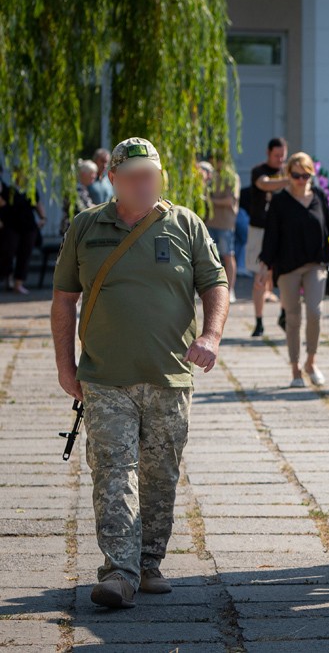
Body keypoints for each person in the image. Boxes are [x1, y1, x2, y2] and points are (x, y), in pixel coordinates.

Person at [51, 137, 228, 608]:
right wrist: (66, 365)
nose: (144, 183)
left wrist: (210, 336)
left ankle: (148, 562)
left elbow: (215, 283)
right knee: (112, 471)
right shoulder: (86, 226)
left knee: (159, 475)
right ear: (114, 179)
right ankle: (119, 571)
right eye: (133, 176)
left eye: (151, 175)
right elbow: (64, 298)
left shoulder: (185, 224)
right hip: (105, 377)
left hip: (169, 377)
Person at [259, 152, 329, 388]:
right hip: (288, 266)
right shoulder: (280, 201)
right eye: (296, 175)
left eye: (306, 175)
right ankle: (295, 369)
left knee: (315, 312)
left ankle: (311, 362)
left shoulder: (319, 196)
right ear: (288, 175)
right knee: (293, 318)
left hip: (315, 263)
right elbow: (271, 236)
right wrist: (265, 266)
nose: (301, 180)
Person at [245, 137, 288, 337]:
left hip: (281, 231)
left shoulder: (288, 171)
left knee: (286, 276)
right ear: (268, 153)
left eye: (283, 156)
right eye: (276, 155)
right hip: (259, 230)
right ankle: (259, 321)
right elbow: (264, 185)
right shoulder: (259, 171)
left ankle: (284, 314)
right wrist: (289, 180)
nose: (280, 160)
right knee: (259, 277)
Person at [0, 167, 45, 294]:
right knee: (8, 251)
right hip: (11, 226)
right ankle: (7, 276)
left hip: (28, 227)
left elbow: (38, 205)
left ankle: (18, 283)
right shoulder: (8, 191)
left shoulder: (31, 190)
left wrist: (43, 218)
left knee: (25, 253)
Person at [205, 154, 240, 304]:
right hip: (209, 222)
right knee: (208, 256)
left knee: (227, 255)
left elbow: (230, 200)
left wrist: (210, 200)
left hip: (225, 223)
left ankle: (230, 289)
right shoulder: (210, 176)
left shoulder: (232, 177)